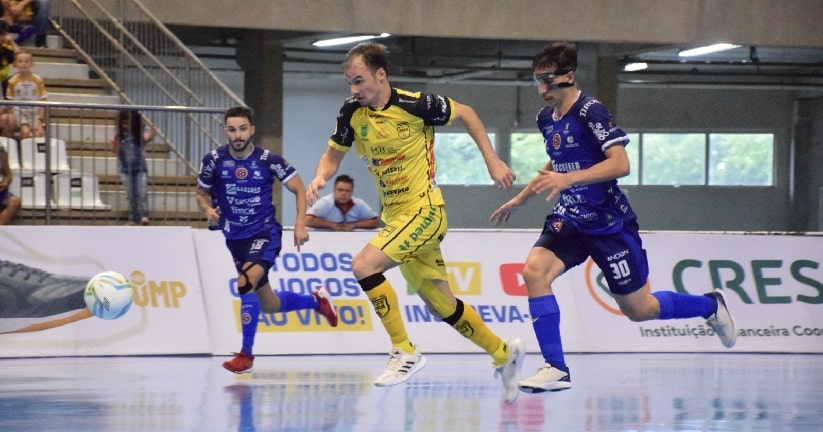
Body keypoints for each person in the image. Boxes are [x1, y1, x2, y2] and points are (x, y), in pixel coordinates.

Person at [489, 42, 738, 394]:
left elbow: (620, 164)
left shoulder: (591, 111)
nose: (542, 89)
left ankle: (709, 305)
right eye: (537, 81)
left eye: (548, 81)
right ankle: (556, 367)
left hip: (609, 224)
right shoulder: (545, 119)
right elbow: (557, 163)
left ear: (568, 77)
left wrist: (569, 179)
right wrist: (521, 198)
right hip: (571, 217)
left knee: (640, 309)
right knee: (534, 271)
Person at [307, 42, 526, 403]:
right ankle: (504, 354)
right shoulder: (351, 113)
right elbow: (333, 154)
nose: (354, 89)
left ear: (381, 75)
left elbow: (467, 113)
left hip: (425, 212)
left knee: (363, 265)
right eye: (349, 82)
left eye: (359, 81)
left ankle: (404, 350)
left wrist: (493, 161)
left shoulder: (416, 105)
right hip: (396, 218)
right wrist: (320, 178)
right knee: (441, 305)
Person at [196, 106, 339, 374]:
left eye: (242, 129)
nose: (237, 135)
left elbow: (298, 188)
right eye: (232, 129)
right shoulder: (213, 160)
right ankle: (317, 301)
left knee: (245, 283)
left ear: (252, 130)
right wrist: (207, 210)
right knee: (269, 305)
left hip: (264, 233)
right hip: (234, 237)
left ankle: (246, 354)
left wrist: (299, 224)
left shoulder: (268, 160)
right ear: (225, 130)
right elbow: (200, 193)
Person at [111, 110, 155, 226]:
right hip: (126, 170)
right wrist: (116, 146)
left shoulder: (138, 135)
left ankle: (144, 215)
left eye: (129, 123)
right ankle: (133, 217)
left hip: (140, 168)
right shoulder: (120, 136)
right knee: (130, 194)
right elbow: (115, 151)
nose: (126, 126)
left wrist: (152, 131)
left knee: (141, 192)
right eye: (124, 124)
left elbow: (147, 138)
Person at [306, 173, 379, 231]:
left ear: (352, 192)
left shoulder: (359, 204)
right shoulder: (325, 202)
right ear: (334, 190)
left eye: (347, 191)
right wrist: (332, 225)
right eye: (340, 190)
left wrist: (354, 225)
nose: (343, 193)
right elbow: (306, 220)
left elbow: (375, 222)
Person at [4, 50, 46, 139]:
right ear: (15, 64)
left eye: (27, 61)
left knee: (39, 133)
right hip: (20, 113)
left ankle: (33, 152)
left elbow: (43, 101)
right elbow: (9, 103)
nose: (24, 64)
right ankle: (24, 151)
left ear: (32, 64)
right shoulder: (12, 81)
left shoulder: (38, 80)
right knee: (25, 132)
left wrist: (40, 119)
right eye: (20, 61)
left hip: (35, 113)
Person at [0, 135, 20, 224]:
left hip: (1, 192)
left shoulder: (1, 149)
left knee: (14, 202)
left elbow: (8, 174)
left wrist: (5, 181)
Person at [0, 20, 18, 97]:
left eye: (3, 34)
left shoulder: (7, 49)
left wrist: (12, 42)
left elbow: (19, 59)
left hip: (3, 81)